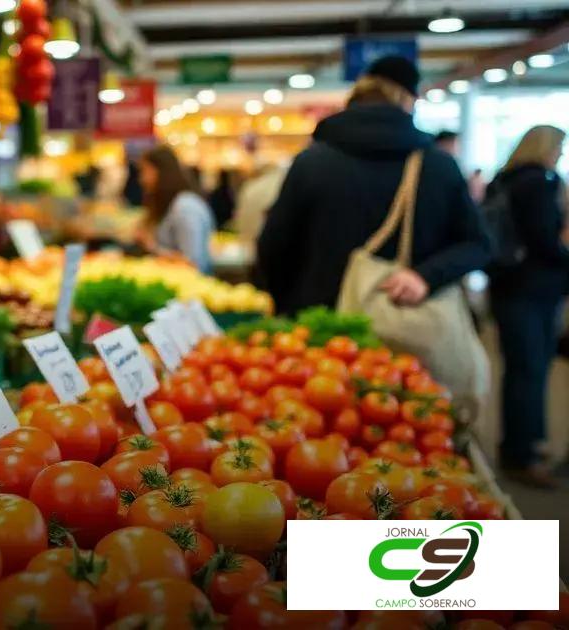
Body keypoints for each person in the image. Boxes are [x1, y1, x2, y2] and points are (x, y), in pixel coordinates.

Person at [257, 55, 490, 316]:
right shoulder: (437, 165)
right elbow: (478, 244)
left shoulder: (311, 163)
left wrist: (291, 304)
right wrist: (425, 276)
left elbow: (273, 248)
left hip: (322, 322)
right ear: (409, 102)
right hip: (407, 319)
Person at [487, 125, 569, 488]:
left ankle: (517, 448)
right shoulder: (540, 183)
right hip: (533, 290)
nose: (561, 155)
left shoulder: (504, 181)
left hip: (508, 287)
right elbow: (545, 241)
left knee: (519, 371)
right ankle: (524, 454)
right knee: (530, 372)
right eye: (559, 147)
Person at [138, 145, 214, 271]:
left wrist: (152, 246)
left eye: (145, 171)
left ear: (160, 171)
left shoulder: (185, 208)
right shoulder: (173, 204)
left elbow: (192, 262)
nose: (142, 179)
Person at [233, 161, 288, 248]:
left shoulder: (249, 187)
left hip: (248, 243)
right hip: (270, 244)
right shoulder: (280, 186)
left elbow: (238, 218)